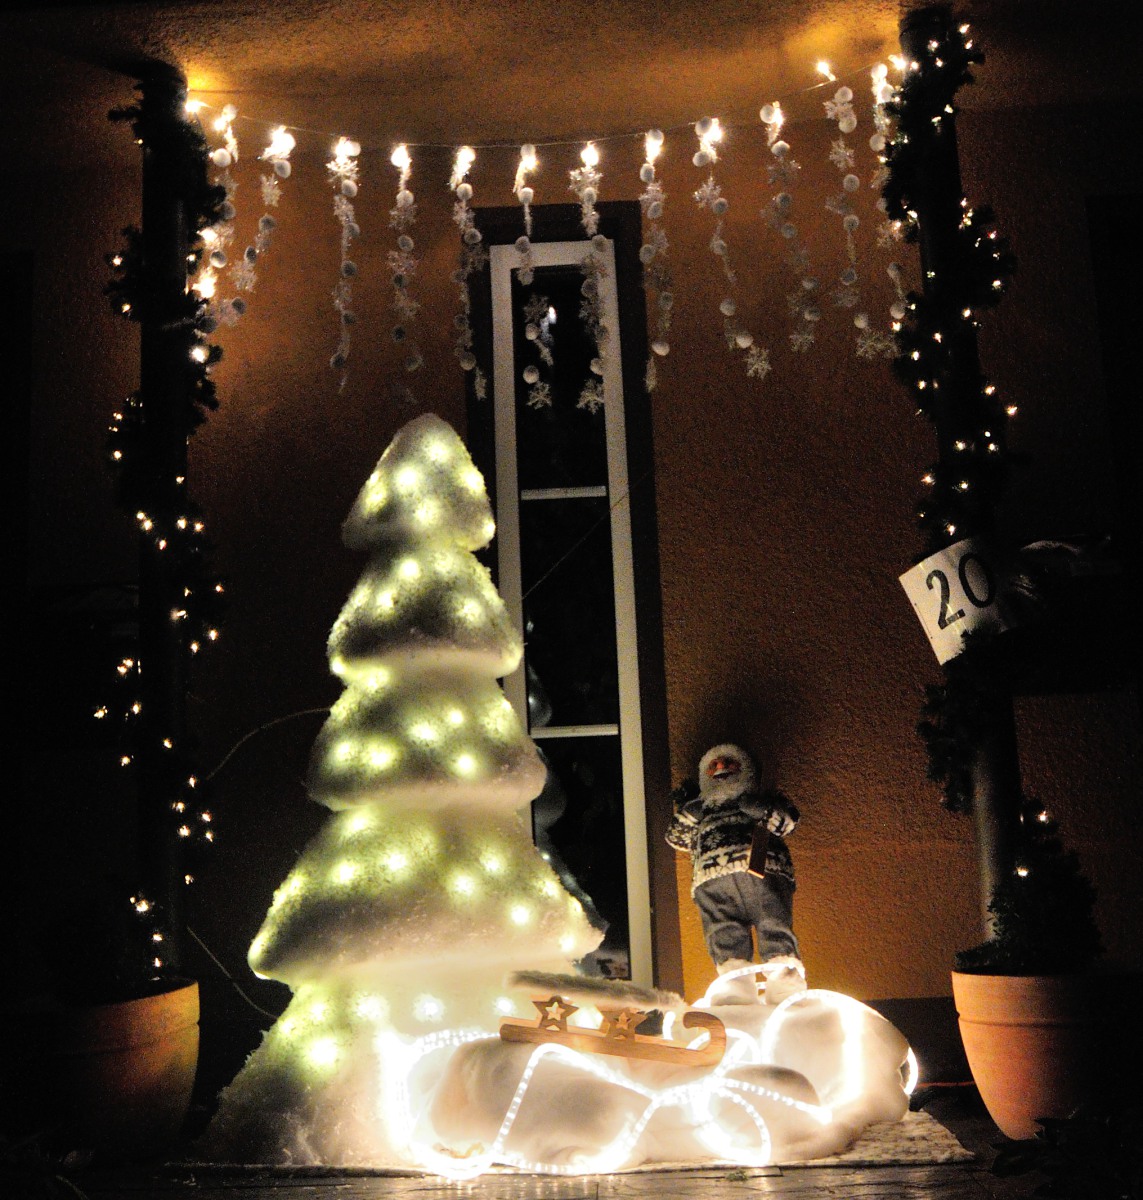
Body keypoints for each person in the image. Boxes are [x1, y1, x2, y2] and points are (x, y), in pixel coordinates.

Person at [666, 742, 806, 1004]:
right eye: (714, 765)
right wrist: (691, 811)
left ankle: (785, 984)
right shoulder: (700, 809)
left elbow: (788, 822)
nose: (721, 767)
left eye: (729, 763)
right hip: (712, 884)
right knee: (723, 932)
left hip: (765, 874)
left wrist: (761, 808)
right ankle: (734, 986)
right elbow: (675, 839)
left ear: (747, 770)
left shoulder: (761, 801)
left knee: (773, 923)